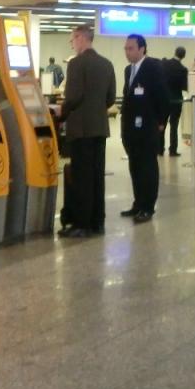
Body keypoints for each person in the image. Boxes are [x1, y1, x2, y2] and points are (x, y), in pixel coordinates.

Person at [57, 25, 116, 238]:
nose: (72, 44)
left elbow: (73, 96)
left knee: (82, 177)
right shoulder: (107, 64)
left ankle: (81, 224)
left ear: (81, 38)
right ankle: (97, 222)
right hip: (99, 128)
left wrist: (62, 112)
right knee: (97, 175)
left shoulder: (76, 64)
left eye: (72, 39)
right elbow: (110, 98)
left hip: (81, 129)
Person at [119, 35, 169, 222]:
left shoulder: (153, 67)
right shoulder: (128, 70)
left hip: (148, 127)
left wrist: (161, 122)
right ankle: (138, 203)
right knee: (135, 166)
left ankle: (148, 207)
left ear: (142, 49)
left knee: (147, 167)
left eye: (130, 48)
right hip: (130, 129)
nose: (127, 52)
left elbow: (163, 97)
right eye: (125, 48)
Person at [161, 47, 189, 157]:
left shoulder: (164, 64)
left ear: (175, 52)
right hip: (176, 100)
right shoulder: (183, 69)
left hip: (164, 99)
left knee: (162, 124)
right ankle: (173, 150)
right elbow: (184, 87)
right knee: (174, 126)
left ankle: (159, 149)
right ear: (183, 56)